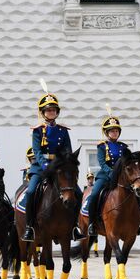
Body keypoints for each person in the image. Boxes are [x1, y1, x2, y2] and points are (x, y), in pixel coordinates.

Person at [22, 86, 86, 242]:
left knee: (77, 193)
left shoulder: (63, 131)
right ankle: (30, 227)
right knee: (30, 192)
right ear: (43, 113)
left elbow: (68, 151)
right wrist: (44, 165)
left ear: (57, 112)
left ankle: (75, 226)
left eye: (53, 110)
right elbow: (37, 151)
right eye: (48, 110)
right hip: (41, 168)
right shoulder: (38, 131)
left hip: (59, 167)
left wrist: (64, 164)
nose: (51, 112)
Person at [85, 105, 140, 237]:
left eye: (116, 131)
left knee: (138, 196)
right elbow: (102, 163)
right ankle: (92, 223)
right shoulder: (102, 146)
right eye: (111, 131)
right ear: (106, 133)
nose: (114, 133)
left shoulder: (123, 147)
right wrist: (111, 173)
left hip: (122, 178)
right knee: (95, 194)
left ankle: (138, 223)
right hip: (105, 176)